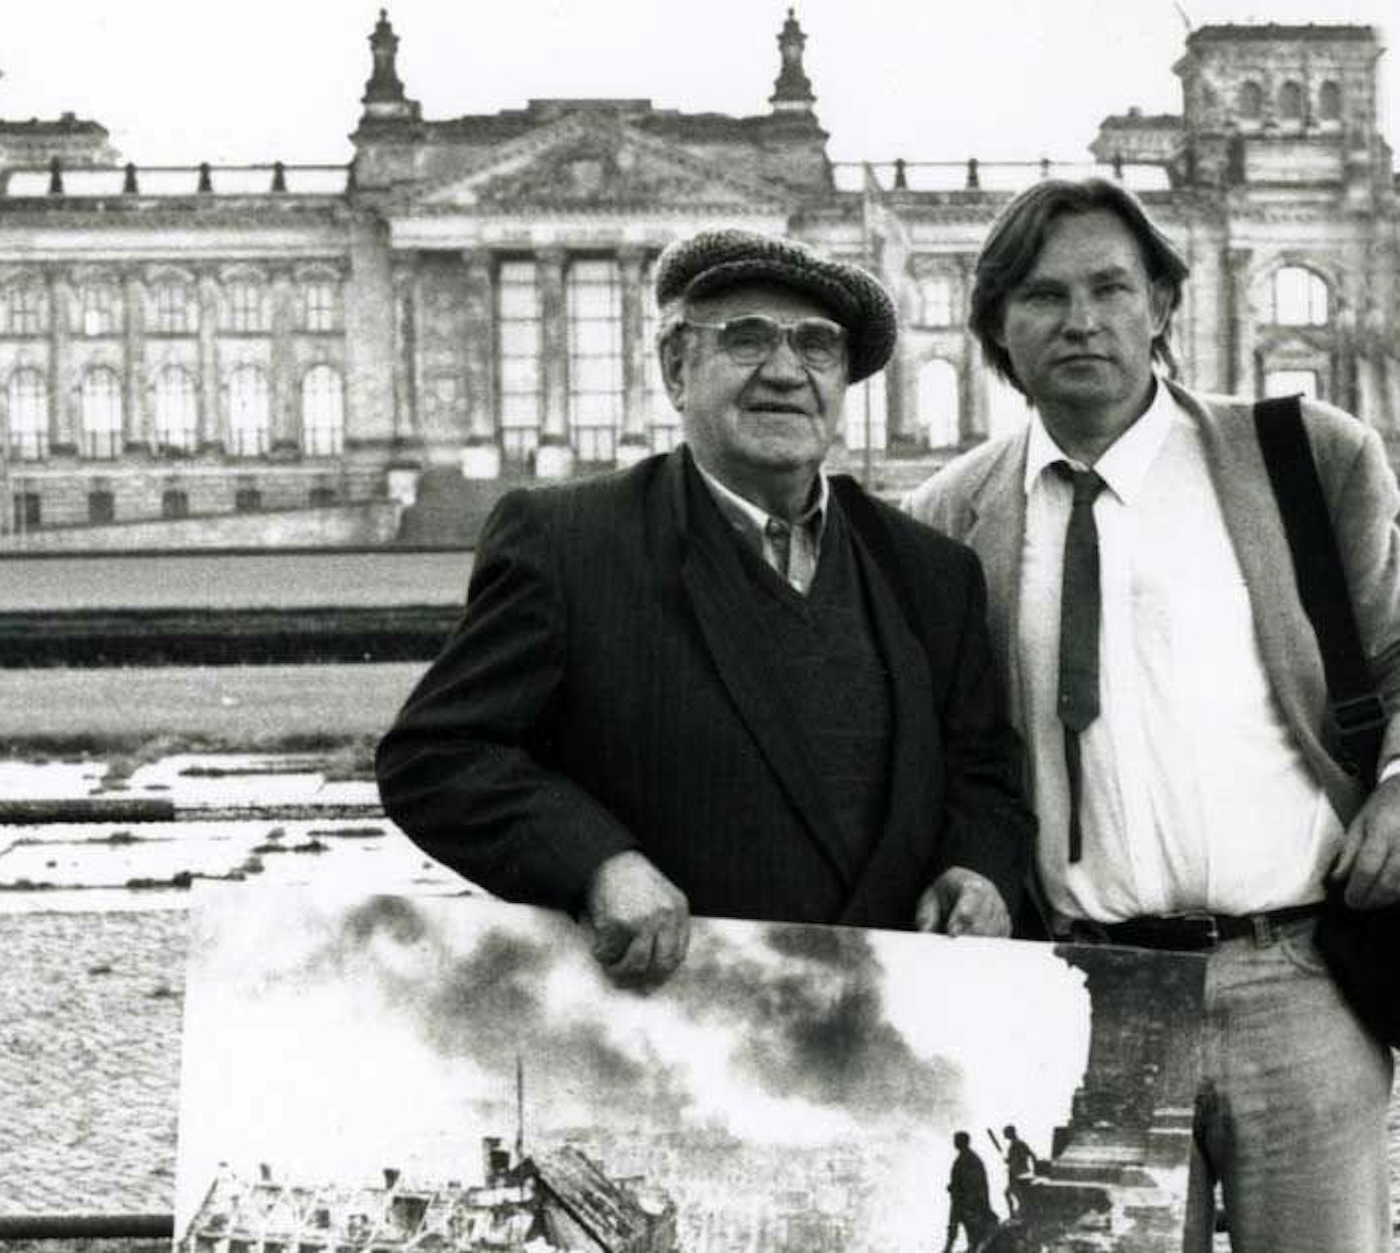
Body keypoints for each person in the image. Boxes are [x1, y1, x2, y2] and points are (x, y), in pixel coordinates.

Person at [905, 179, 1400, 1252]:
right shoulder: (944, 520)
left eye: (1109, 286)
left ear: (1162, 302)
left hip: (1296, 978)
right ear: (995, 327)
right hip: (1084, 991)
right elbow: (944, 751)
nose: (1080, 320)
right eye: (1040, 296)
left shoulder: (1301, 456)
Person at [378, 228, 1035, 988]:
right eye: (747, 339)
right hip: (670, 1033)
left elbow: (985, 776)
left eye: (817, 345)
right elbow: (438, 754)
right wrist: (595, 862)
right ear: (676, 369)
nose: (786, 372)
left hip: (887, 1029)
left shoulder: (930, 571)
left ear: (844, 380)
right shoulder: (569, 542)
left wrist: (977, 868)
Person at [942, 1130, 998, 1253]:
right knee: (954, 1232)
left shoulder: (969, 1159)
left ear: (962, 1142)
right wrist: (953, 1187)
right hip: (961, 1203)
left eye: (956, 1140)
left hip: (967, 1205)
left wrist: (970, 1205)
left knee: (971, 1235)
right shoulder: (966, 1158)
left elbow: (974, 1184)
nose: (954, 1142)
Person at [999, 1125, 1037, 1218]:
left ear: (1010, 1133)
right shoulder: (1019, 1143)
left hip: (1017, 1175)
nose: (1004, 1135)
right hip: (1020, 1174)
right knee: (1015, 1195)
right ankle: (1016, 1213)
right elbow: (1031, 1155)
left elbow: (1019, 1159)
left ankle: (1015, 1214)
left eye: (1005, 1133)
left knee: (1013, 1194)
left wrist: (1009, 1161)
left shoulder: (1016, 1144)